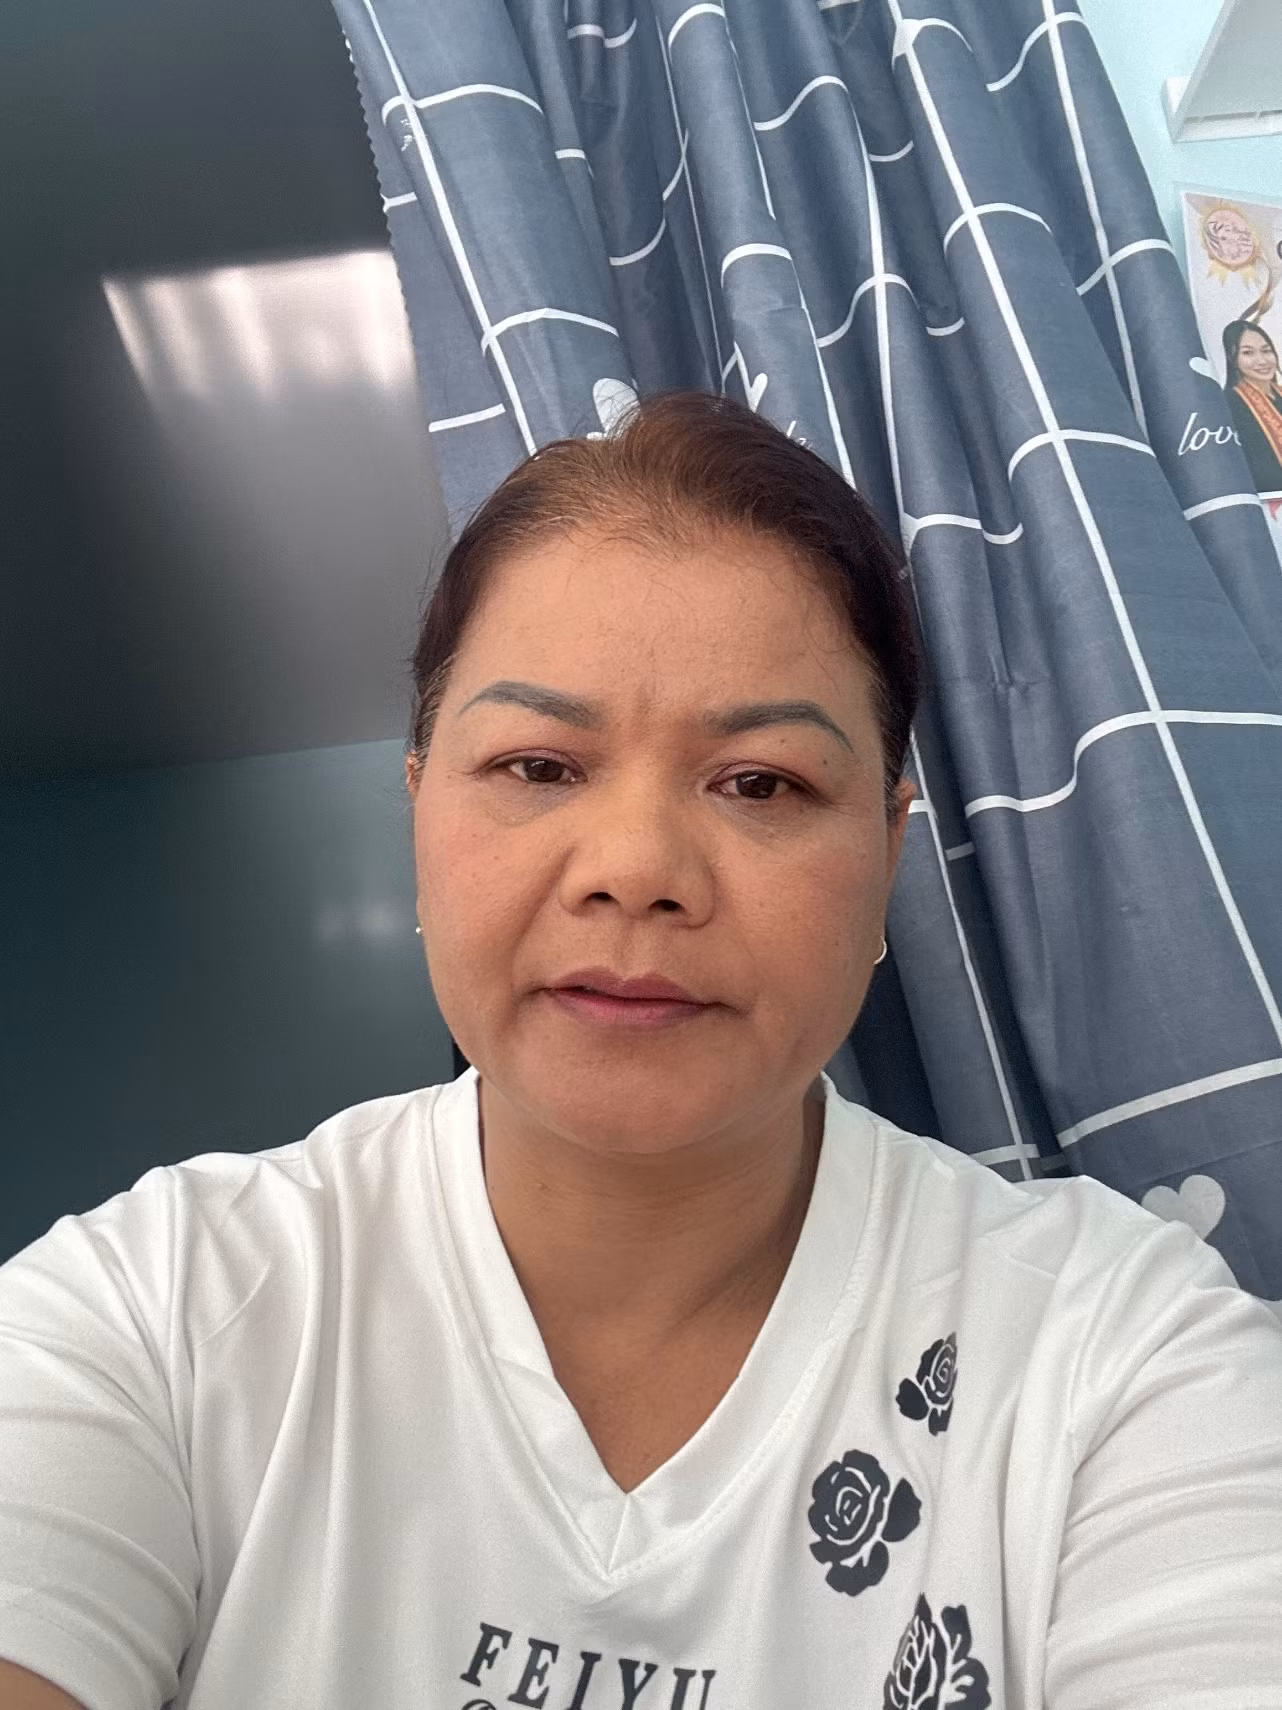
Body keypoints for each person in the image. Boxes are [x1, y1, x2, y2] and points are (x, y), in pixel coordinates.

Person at [1, 393, 1280, 1710]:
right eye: (538, 766)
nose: (634, 868)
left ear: (885, 856)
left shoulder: (1125, 1356)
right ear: (419, 811)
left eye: (761, 782)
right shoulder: (155, 1313)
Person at [1222, 318, 1282, 494]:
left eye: (1266, 351)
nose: (1262, 361)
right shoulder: (1229, 403)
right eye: (1248, 353)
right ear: (1232, 358)